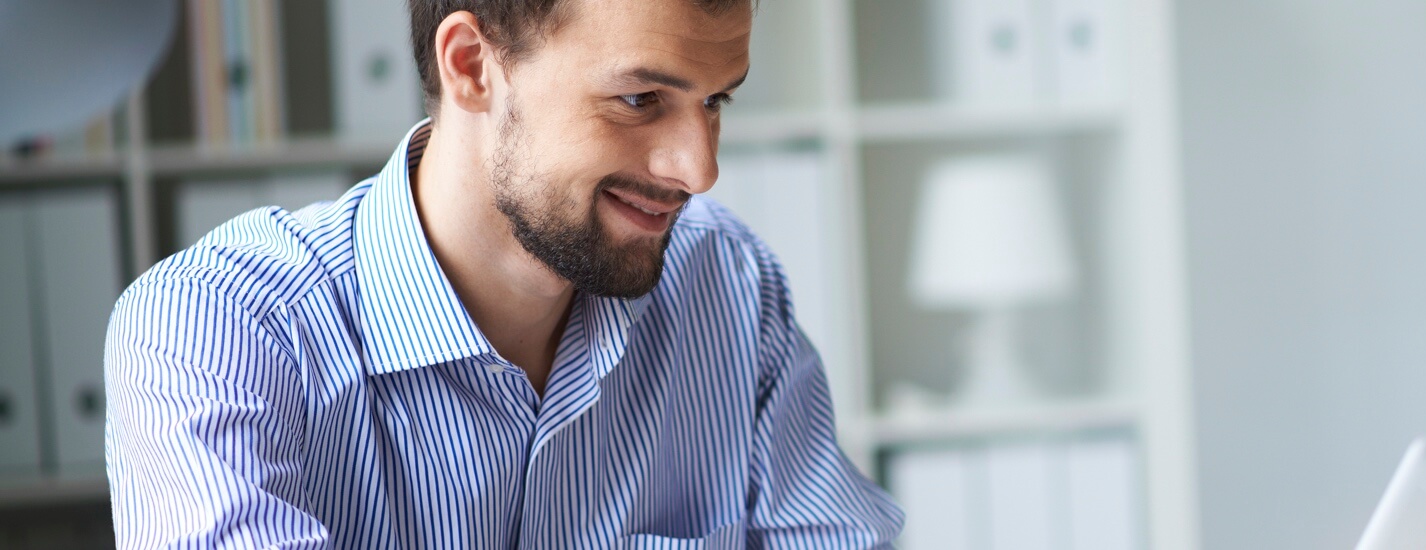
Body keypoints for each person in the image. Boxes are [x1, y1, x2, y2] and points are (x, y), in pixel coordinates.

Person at [102, 0, 902, 547]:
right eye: (638, 99)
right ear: (472, 66)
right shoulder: (213, 330)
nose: (698, 169)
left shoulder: (728, 287)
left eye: (717, 101)